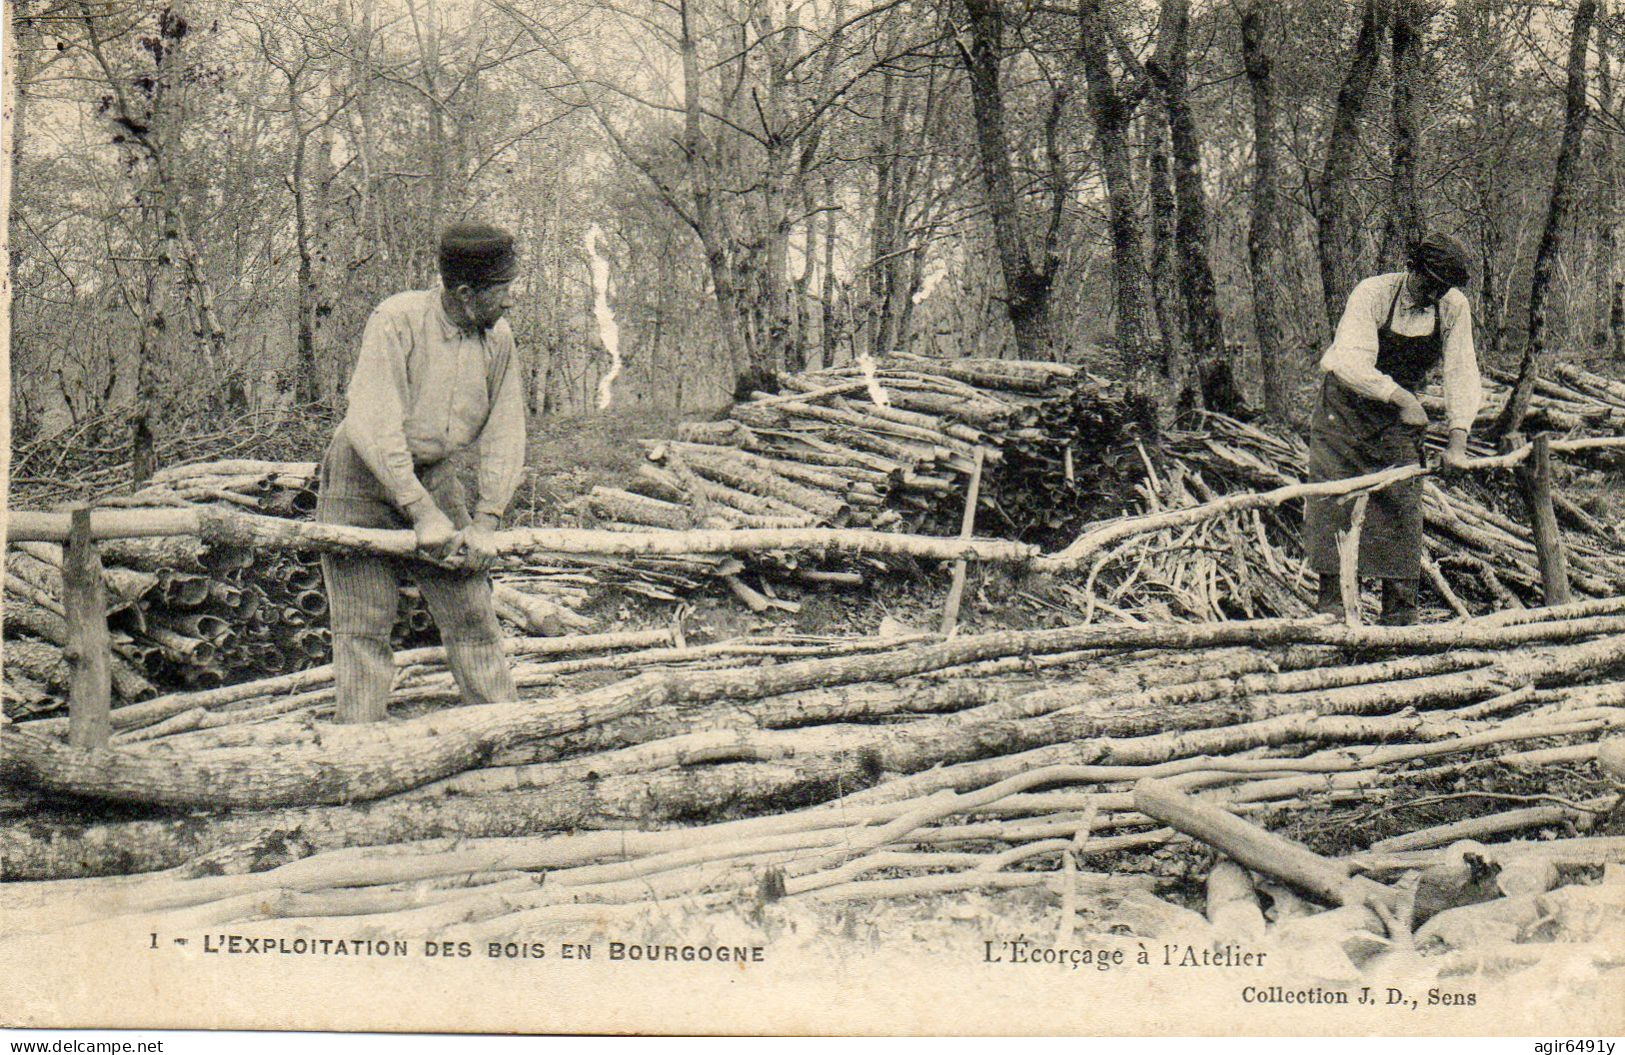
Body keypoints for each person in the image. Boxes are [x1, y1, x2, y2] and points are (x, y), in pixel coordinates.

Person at [316, 221, 526, 723]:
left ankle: (504, 728)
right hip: (361, 471)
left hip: (433, 471)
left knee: (471, 606)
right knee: (363, 621)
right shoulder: (397, 320)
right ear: (465, 293)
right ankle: (361, 746)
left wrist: (488, 520)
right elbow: (373, 424)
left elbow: (506, 430)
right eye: (502, 291)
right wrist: (419, 512)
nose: (510, 303)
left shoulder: (498, 339)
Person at [1302, 233, 1481, 625]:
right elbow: (1350, 363)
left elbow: (1462, 371)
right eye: (1427, 282)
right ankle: (1332, 613)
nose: (1432, 293)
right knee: (1336, 502)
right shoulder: (1373, 294)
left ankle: (1400, 618)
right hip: (1345, 414)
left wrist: (1458, 440)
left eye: (1441, 287)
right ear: (1411, 268)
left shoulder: (1452, 307)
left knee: (1401, 506)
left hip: (1395, 424)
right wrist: (1402, 397)